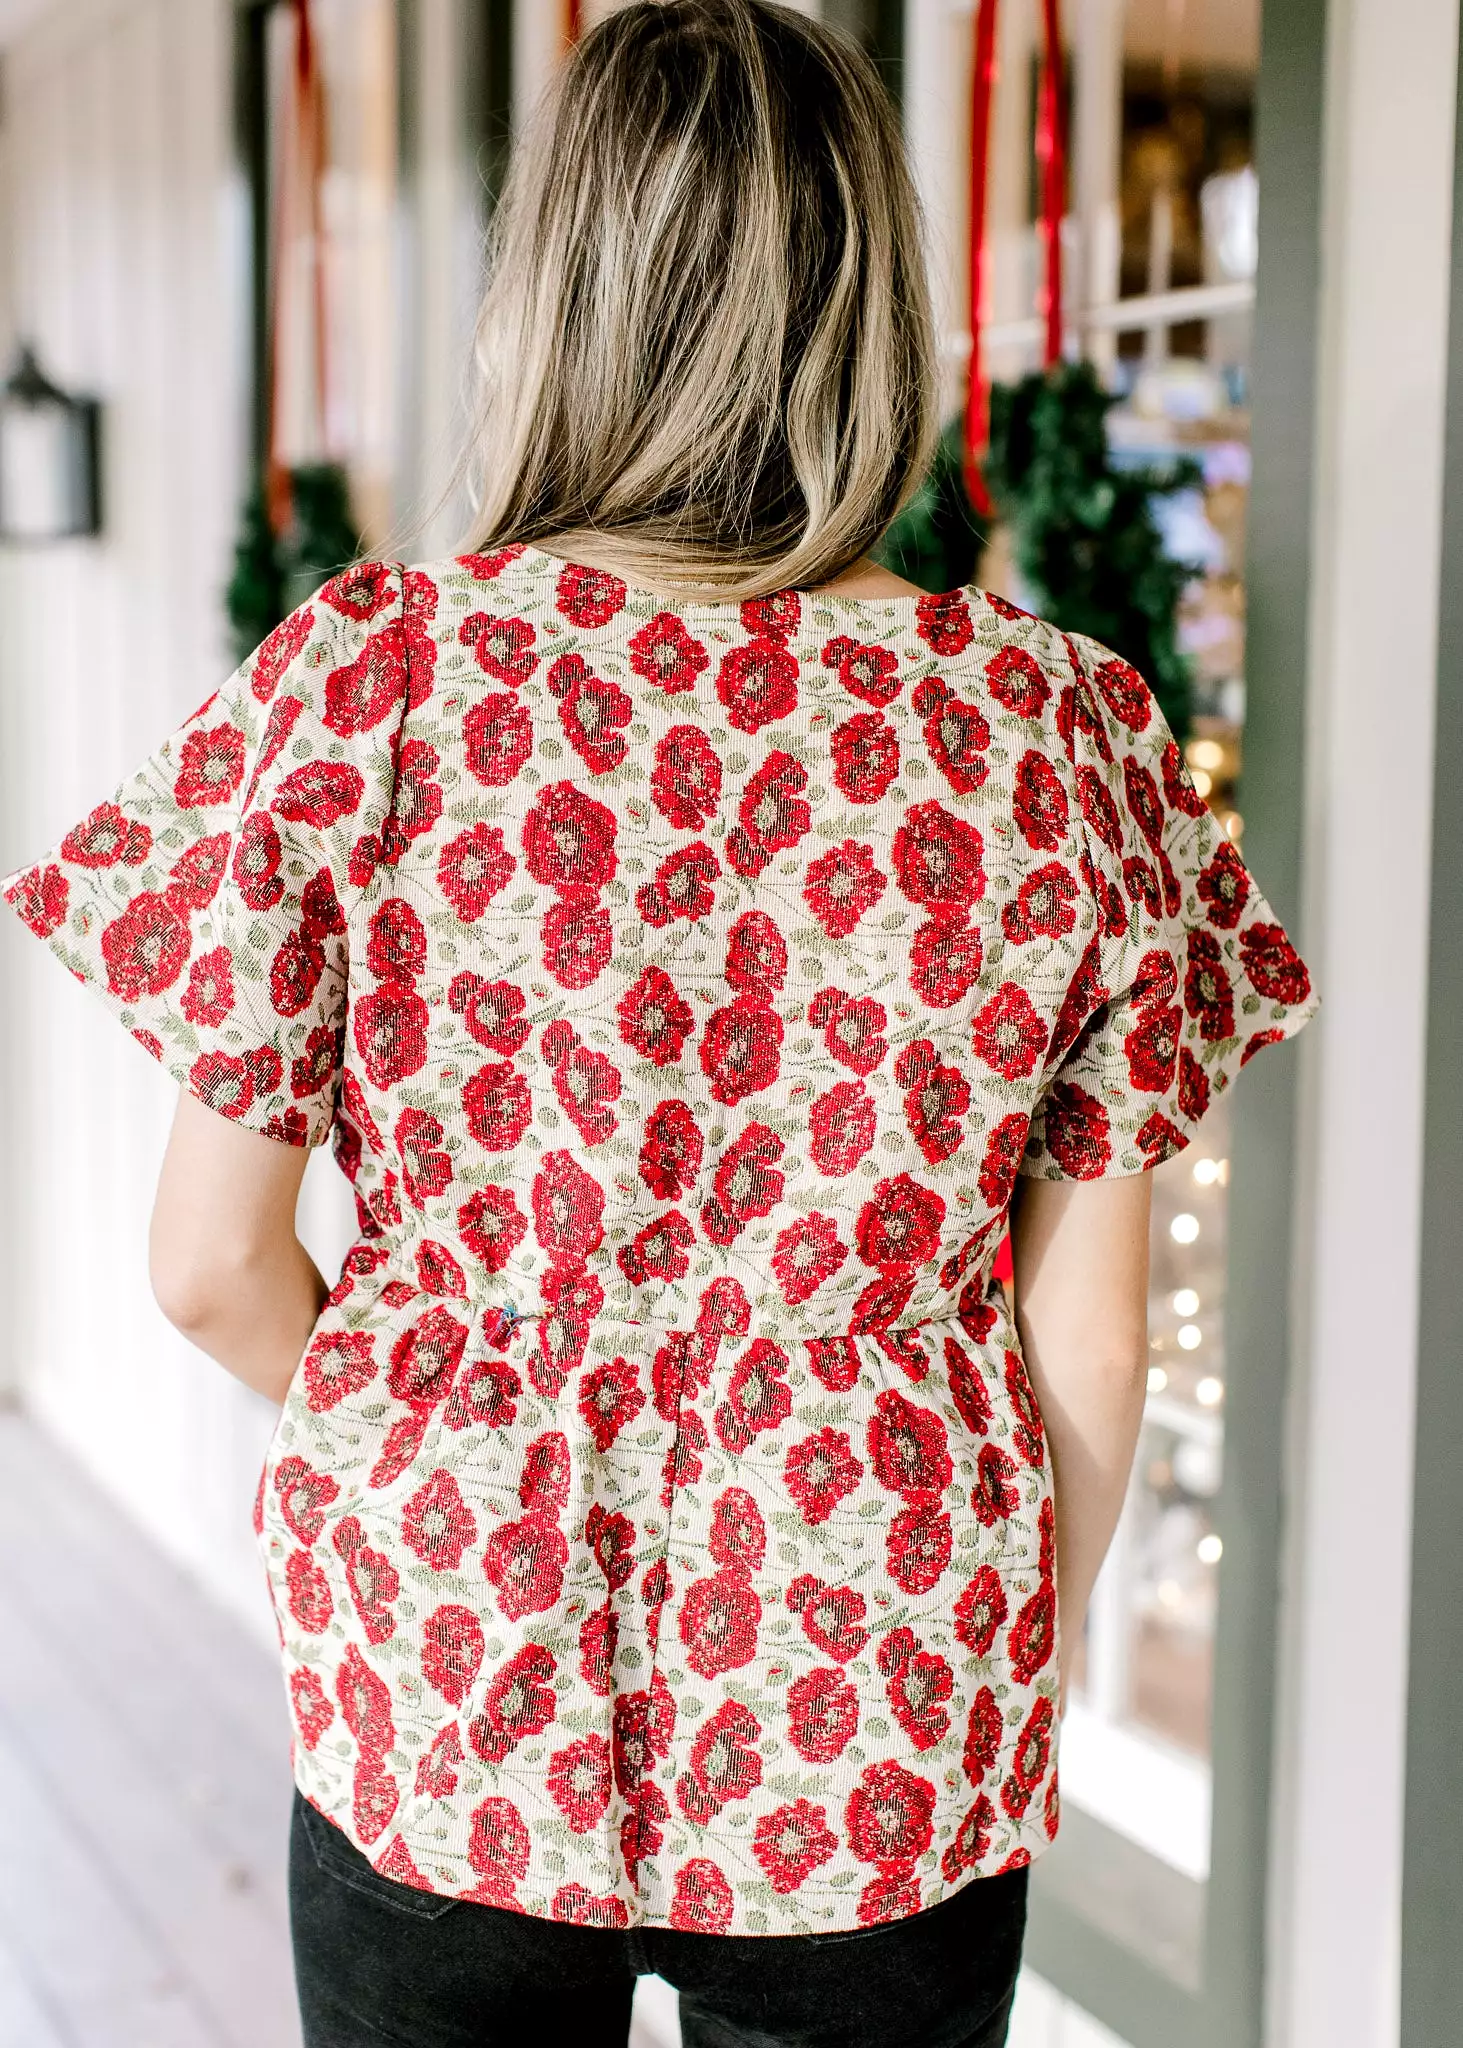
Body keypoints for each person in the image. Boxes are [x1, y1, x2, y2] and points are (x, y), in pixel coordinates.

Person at [0, 5, 1318, 2044]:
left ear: (554, 298)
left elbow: (205, 1269)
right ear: (870, 304)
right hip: (885, 1680)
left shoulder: (373, 684)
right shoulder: (1056, 734)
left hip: (446, 1670)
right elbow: (1086, 1329)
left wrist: (440, 1429)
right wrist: (1006, 1658)